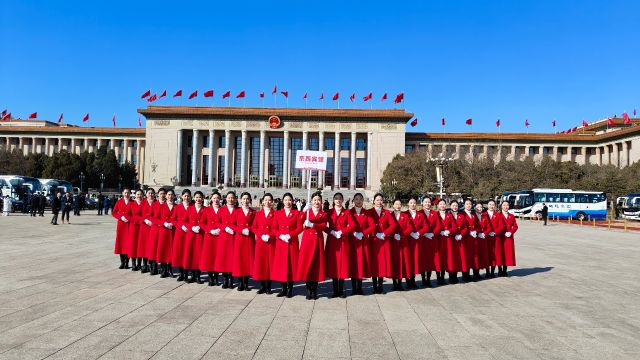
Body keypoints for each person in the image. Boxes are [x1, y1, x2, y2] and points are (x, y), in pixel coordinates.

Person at [297, 192, 327, 300]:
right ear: (311, 201)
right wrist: (304, 211)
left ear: (321, 202)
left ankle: (314, 289)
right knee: (306, 264)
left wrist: (313, 225)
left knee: (316, 265)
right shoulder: (307, 212)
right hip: (307, 241)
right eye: (315, 200)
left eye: (318, 200)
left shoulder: (323, 214)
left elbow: (323, 226)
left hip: (317, 241)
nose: (316, 202)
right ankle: (308, 289)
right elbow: (299, 221)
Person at [325, 192, 355, 298]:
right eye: (336, 198)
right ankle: (335, 290)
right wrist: (331, 231)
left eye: (340, 199)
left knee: (342, 265)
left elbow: (352, 225)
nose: (338, 200)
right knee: (334, 265)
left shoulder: (346, 212)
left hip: (343, 241)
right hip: (332, 241)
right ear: (333, 200)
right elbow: (323, 225)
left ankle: (341, 290)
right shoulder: (329, 212)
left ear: (342, 200)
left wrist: (342, 231)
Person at [272, 192, 302, 298]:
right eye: (286, 200)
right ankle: (283, 288)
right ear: (282, 201)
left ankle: (290, 289)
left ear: (292, 201)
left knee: (291, 266)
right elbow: (274, 228)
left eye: (289, 200)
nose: (288, 202)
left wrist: (290, 235)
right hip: (281, 243)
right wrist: (280, 236)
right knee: (282, 266)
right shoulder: (278, 213)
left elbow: (300, 227)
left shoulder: (296, 213)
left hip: (292, 242)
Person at [369, 193, 395, 294]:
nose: (379, 202)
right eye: (377, 200)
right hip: (373, 241)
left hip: (383, 241)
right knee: (374, 263)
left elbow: (392, 225)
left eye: (381, 200)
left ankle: (380, 286)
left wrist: (384, 233)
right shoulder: (369, 212)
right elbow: (367, 224)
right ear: (374, 201)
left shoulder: (386, 212)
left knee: (382, 264)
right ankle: (374, 286)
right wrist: (374, 234)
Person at [349, 193, 374, 295]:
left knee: (361, 264)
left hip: (363, 242)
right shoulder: (349, 212)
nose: (358, 201)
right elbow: (346, 225)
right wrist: (353, 233)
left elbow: (372, 226)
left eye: (360, 199)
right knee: (353, 264)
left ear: (363, 201)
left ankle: (360, 287)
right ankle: (353, 288)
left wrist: (363, 233)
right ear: (353, 201)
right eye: (356, 199)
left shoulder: (366, 213)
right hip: (352, 242)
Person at [252, 193, 276, 294]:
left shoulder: (276, 214)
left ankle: (269, 287)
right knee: (261, 264)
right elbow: (254, 227)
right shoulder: (258, 214)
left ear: (272, 202)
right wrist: (260, 235)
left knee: (270, 264)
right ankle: (262, 286)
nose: (267, 202)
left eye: (269, 200)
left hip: (271, 242)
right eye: (266, 200)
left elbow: (276, 228)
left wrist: (270, 235)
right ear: (262, 202)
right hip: (261, 242)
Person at [233, 192, 255, 291]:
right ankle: (240, 282)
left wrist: (249, 229)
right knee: (239, 260)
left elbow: (256, 225)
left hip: (249, 238)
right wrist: (241, 230)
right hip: (240, 238)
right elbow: (232, 224)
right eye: (244, 199)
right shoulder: (236, 211)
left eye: (247, 199)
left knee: (247, 261)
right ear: (240, 200)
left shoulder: (253, 212)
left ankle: (246, 282)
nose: (245, 201)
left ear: (250, 200)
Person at [184, 191, 208, 284]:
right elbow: (185, 221)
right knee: (192, 254)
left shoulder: (205, 209)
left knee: (199, 255)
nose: (198, 199)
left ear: (202, 199)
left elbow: (207, 222)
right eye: (196, 197)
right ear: (193, 198)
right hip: (191, 234)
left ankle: (198, 275)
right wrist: (191, 227)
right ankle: (192, 275)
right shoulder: (189, 208)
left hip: (201, 235)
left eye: (200, 197)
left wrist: (201, 227)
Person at [216, 191, 238, 288]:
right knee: (224, 258)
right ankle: (225, 279)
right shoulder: (221, 210)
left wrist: (234, 229)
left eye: (232, 198)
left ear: (235, 199)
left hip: (234, 237)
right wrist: (225, 228)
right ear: (226, 199)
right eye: (229, 198)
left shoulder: (238, 210)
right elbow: (218, 222)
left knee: (232, 259)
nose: (231, 199)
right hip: (224, 237)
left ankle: (231, 279)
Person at [390, 199, 413, 291]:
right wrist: (392, 235)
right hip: (392, 242)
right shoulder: (389, 215)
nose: (398, 206)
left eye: (399, 204)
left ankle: (400, 283)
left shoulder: (405, 215)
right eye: (396, 204)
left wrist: (402, 234)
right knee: (394, 262)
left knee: (402, 262)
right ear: (393, 205)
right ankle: (394, 283)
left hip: (403, 242)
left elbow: (410, 228)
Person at [405, 196, 427, 289]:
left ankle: (413, 280)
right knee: (407, 260)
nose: (413, 204)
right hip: (407, 241)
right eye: (411, 203)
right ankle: (407, 281)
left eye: (414, 203)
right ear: (408, 204)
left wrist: (419, 233)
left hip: (417, 241)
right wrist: (409, 233)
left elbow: (425, 226)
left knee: (414, 260)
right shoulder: (404, 214)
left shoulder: (420, 215)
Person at [201, 191, 222, 286]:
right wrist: (209, 230)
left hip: (219, 237)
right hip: (209, 236)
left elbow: (226, 222)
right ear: (211, 199)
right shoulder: (206, 210)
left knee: (217, 257)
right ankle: (210, 277)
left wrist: (220, 229)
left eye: (217, 198)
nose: (216, 200)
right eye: (214, 198)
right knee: (209, 257)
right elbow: (202, 223)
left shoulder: (223, 210)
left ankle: (216, 277)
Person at [421, 197, 441, 287]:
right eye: (425, 202)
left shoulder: (434, 213)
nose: (427, 204)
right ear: (422, 203)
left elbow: (438, 226)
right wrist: (424, 234)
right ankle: (423, 280)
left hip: (432, 239)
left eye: (429, 202)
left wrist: (432, 234)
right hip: (422, 239)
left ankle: (428, 280)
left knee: (431, 260)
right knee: (423, 259)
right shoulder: (419, 213)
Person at [156, 189, 176, 278]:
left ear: (174, 196)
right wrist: (164, 223)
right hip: (164, 231)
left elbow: (179, 218)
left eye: (171, 195)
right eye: (168, 195)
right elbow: (156, 218)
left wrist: (173, 223)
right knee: (163, 249)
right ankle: (163, 269)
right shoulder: (161, 206)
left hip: (173, 231)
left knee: (171, 250)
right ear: (166, 196)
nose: (170, 196)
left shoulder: (177, 206)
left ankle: (170, 269)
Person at [173, 189, 192, 281]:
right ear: (182, 196)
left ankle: (187, 272)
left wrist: (188, 226)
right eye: (185, 196)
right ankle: (181, 273)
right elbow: (174, 220)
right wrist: (181, 226)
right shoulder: (177, 207)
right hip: (180, 233)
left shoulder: (192, 207)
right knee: (180, 253)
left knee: (188, 253)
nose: (186, 198)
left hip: (189, 233)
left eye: (188, 196)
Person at [496, 201, 518, 277]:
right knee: (500, 253)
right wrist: (502, 233)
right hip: (500, 237)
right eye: (504, 205)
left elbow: (515, 226)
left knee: (507, 253)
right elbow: (496, 226)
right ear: (501, 206)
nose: (506, 207)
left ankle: (505, 270)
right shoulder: (498, 215)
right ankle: (499, 270)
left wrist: (511, 232)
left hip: (508, 238)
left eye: (507, 205)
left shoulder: (511, 216)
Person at [448, 200, 467, 284]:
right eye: (453, 205)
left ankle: (455, 275)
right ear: (450, 206)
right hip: (450, 239)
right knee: (450, 258)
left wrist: (461, 235)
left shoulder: (461, 216)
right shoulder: (447, 215)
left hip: (459, 240)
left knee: (458, 258)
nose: (455, 207)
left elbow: (465, 227)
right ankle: (450, 276)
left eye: (456, 205)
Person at [147, 188, 165, 275]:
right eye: (161, 193)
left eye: (163, 193)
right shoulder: (154, 204)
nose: (162, 195)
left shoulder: (167, 204)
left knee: (162, 248)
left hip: (163, 229)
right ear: (158, 195)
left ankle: (162, 267)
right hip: (155, 229)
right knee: (153, 248)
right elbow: (150, 216)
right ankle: (154, 266)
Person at [436, 199, 454, 285]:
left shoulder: (449, 215)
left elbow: (454, 227)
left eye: (444, 204)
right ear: (438, 206)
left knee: (446, 258)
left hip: (447, 240)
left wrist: (449, 231)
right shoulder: (435, 215)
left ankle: (444, 277)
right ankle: (438, 278)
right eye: (440, 204)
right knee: (439, 258)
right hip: (438, 239)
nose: (442, 206)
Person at [112, 188, 132, 269]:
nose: (126, 194)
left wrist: (130, 218)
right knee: (121, 244)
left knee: (128, 244)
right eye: (125, 193)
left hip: (129, 225)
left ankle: (127, 262)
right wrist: (120, 217)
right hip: (121, 225)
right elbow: (114, 212)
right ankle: (122, 262)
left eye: (128, 193)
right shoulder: (119, 202)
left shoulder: (132, 202)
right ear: (123, 193)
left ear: (130, 194)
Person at [461, 199, 481, 282]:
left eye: (470, 204)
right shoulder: (461, 214)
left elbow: (478, 226)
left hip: (473, 238)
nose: (468, 205)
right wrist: (468, 232)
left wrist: (475, 231)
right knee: (466, 257)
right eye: (467, 204)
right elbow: (461, 226)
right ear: (464, 205)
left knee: (474, 256)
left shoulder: (473, 214)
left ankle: (475, 274)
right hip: (466, 238)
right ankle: (465, 275)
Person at [138, 188, 156, 273]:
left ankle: (152, 265)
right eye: (149, 193)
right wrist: (144, 220)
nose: (151, 195)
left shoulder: (157, 203)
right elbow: (138, 215)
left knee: (152, 247)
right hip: (144, 228)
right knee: (144, 247)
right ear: (146, 194)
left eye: (152, 193)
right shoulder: (142, 203)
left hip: (153, 228)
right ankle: (144, 265)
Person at [485, 200, 504, 278]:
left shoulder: (498, 215)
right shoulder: (483, 214)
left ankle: (492, 272)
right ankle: (487, 272)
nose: (491, 206)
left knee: (494, 254)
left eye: (493, 205)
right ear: (487, 205)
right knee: (487, 254)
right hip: (486, 237)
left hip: (495, 238)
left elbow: (501, 226)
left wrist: (495, 232)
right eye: (490, 204)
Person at [127, 190, 144, 271]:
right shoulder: (131, 203)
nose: (139, 196)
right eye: (138, 194)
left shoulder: (145, 203)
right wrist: (133, 220)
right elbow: (127, 215)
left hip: (142, 227)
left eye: (140, 194)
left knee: (140, 245)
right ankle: (133, 263)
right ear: (135, 195)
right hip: (133, 227)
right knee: (133, 245)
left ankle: (139, 264)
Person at [474, 203, 491, 279]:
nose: (479, 208)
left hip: (483, 239)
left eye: (481, 207)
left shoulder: (485, 216)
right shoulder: (473, 216)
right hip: (476, 239)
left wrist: (485, 233)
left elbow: (489, 227)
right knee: (476, 256)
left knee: (484, 256)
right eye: (478, 207)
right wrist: (477, 232)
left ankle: (487, 272)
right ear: (475, 208)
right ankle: (476, 273)